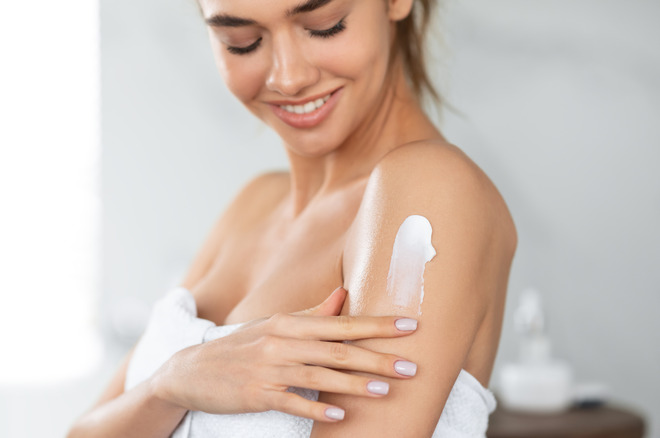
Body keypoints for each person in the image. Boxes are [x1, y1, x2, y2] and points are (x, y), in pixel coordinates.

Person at [69, 0, 517, 436]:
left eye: (325, 25)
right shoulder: (256, 204)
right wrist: (170, 386)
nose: (288, 77)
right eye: (241, 42)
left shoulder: (430, 191)